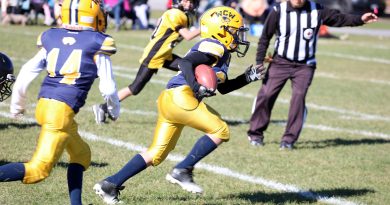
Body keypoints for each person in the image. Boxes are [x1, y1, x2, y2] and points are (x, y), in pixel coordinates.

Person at [93, 6, 265, 204]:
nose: (238, 36)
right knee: (221, 131)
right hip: (182, 96)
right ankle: (182, 170)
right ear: (221, 30)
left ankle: (110, 184)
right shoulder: (215, 46)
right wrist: (196, 87)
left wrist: (247, 77)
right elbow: (185, 63)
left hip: (171, 99)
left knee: (156, 154)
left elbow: (223, 88)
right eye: (235, 31)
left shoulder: (221, 51)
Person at [2, 0, 120, 204]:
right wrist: (113, 108)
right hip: (61, 112)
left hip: (45, 104)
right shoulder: (98, 41)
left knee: (82, 155)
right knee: (38, 170)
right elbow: (108, 87)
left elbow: (27, 71)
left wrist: (17, 104)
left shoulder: (52, 35)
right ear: (91, 14)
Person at [247, 0, 378, 150]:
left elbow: (340, 19)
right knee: (267, 94)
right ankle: (255, 134)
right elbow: (265, 37)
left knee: (298, 97)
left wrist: (361, 19)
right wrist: (259, 62)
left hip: (305, 65)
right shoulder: (278, 11)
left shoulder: (318, 10)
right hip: (280, 62)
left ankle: (288, 140)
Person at [92, 0, 201, 124]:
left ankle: (187, 104)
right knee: (135, 88)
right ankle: (103, 108)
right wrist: (206, 28)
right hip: (154, 55)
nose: (189, 4)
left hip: (165, 54)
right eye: (186, 1)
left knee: (189, 68)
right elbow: (188, 36)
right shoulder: (175, 14)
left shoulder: (179, 14)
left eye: (191, 2)